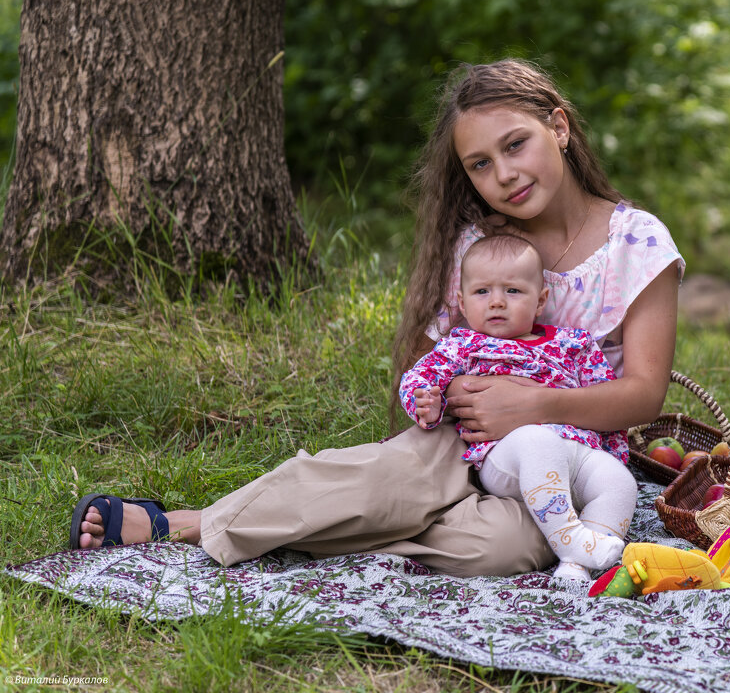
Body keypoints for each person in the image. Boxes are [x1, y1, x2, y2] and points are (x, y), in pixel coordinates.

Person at [69, 58, 684, 579]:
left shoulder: (636, 242)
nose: (504, 175)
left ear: (560, 127)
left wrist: (532, 406)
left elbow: (642, 394)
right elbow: (430, 363)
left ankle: (310, 516)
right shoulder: (479, 246)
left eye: (515, 144)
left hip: (564, 457)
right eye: (479, 164)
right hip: (462, 441)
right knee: (401, 479)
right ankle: (185, 523)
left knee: (511, 547)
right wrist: (455, 391)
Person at [400, 233, 636, 583]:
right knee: (538, 442)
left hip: (577, 450)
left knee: (620, 482)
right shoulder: (463, 345)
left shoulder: (573, 345)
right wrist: (427, 401)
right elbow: (420, 376)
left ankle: (578, 566)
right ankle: (570, 541)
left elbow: (604, 396)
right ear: (462, 304)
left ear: (540, 301)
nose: (497, 302)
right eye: (482, 292)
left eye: (512, 291)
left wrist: (612, 451)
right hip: (509, 453)